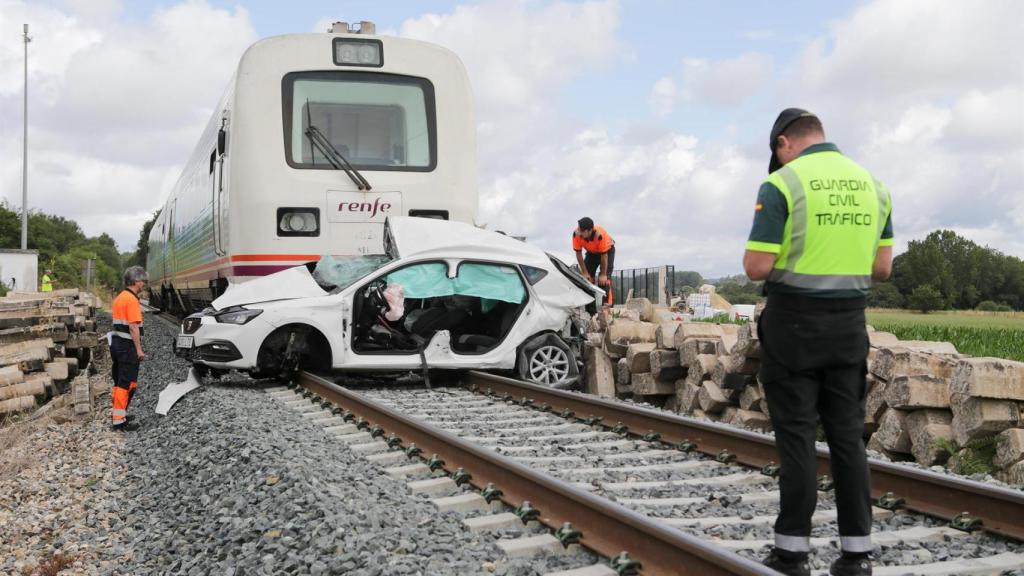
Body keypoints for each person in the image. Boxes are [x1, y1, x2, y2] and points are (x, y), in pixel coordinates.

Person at [743, 108, 893, 576]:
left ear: (784, 144)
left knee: (797, 440)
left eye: (778, 155)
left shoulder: (783, 184)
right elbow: (882, 268)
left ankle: (791, 554)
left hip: (794, 327)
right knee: (848, 439)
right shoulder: (874, 186)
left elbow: (756, 268)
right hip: (849, 326)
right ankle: (857, 556)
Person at [110, 266, 148, 431]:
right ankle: (119, 420)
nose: (144, 283)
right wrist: (139, 349)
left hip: (117, 344)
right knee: (127, 383)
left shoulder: (120, 297)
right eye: (142, 280)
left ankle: (120, 413)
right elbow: (133, 327)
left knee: (120, 381)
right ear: (136, 281)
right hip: (127, 346)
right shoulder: (131, 300)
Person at [572, 217, 615, 306]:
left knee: (604, 280)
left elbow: (604, 255)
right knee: (587, 280)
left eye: (582, 231)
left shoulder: (600, 235)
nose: (579, 232)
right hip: (592, 253)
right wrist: (585, 272)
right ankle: (591, 310)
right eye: (579, 229)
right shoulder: (576, 234)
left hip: (607, 252)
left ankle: (607, 308)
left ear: (590, 230)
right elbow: (578, 254)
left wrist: (603, 274)